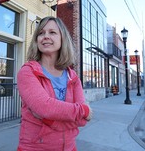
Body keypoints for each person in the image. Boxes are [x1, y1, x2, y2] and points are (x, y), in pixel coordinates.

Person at [17, 16, 92, 151]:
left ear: (62, 38)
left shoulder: (72, 77)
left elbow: (82, 121)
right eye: (41, 33)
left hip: (69, 147)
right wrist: (84, 110)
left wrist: (48, 120)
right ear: (36, 40)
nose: (45, 36)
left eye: (52, 32)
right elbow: (45, 107)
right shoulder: (27, 72)